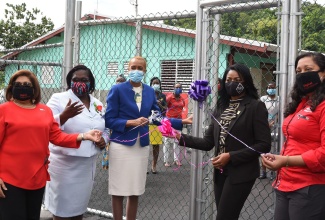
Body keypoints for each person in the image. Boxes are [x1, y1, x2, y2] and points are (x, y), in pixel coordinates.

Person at [0, 69, 101, 220]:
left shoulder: (44, 111)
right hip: (9, 179)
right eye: (18, 84)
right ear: (11, 87)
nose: (22, 87)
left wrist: (84, 136)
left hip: (36, 178)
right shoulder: (4, 110)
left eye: (27, 84)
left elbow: (57, 136)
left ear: (34, 88)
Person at [176, 63, 271, 220]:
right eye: (228, 79)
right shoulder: (221, 106)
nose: (232, 83)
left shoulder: (255, 106)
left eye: (237, 80)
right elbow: (208, 143)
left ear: (245, 82)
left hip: (241, 172)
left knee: (224, 216)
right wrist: (180, 138)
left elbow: (264, 144)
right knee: (225, 215)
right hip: (220, 172)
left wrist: (231, 156)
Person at [105, 56, 192, 220]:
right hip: (121, 143)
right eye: (133, 67)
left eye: (140, 68)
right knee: (118, 189)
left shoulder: (150, 91)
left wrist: (180, 121)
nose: (136, 71)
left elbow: (158, 117)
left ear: (145, 71)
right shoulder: (117, 90)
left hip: (141, 144)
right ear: (128, 68)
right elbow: (109, 120)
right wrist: (131, 122)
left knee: (135, 189)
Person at [261, 52, 325, 220]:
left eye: (308, 69)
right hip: (286, 183)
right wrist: (280, 159)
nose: (302, 74)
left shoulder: (323, 106)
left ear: (323, 74)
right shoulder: (303, 104)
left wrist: (287, 161)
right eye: (298, 71)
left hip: (309, 186)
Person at [43, 65, 108, 220]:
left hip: (86, 166)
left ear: (90, 83)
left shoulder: (97, 103)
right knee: (61, 212)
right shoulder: (58, 99)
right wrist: (64, 116)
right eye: (75, 80)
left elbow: (105, 129)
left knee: (79, 210)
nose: (79, 83)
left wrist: (103, 141)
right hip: (64, 165)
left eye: (84, 80)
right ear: (69, 81)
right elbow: (45, 126)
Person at [259, 82, 279, 179]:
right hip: (264, 125)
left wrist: (274, 121)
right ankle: (263, 172)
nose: (270, 89)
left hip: (276, 125)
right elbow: (260, 111)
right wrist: (265, 123)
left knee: (275, 148)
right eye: (269, 87)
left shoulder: (279, 99)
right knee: (265, 148)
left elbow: (280, 112)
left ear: (276, 88)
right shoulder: (263, 99)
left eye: (272, 87)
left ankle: (273, 172)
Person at [163, 82, 185, 167]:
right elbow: (165, 108)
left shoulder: (182, 99)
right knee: (167, 141)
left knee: (177, 141)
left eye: (179, 87)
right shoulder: (169, 98)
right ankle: (166, 161)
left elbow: (182, 108)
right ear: (173, 88)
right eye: (176, 87)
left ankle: (176, 160)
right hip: (169, 121)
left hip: (178, 122)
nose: (178, 89)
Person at [148, 77, 167, 174]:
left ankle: (154, 165)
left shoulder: (162, 96)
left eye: (157, 83)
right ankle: (144, 166)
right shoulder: (147, 94)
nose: (156, 84)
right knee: (145, 145)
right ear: (151, 84)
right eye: (154, 83)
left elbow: (165, 109)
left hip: (158, 123)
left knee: (156, 145)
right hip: (147, 122)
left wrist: (160, 105)